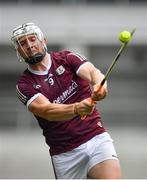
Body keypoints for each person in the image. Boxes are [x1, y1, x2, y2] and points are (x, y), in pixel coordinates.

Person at [11, 22, 121, 179]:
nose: (29, 45)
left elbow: (93, 72)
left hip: (95, 138)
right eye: (22, 43)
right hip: (64, 154)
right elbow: (46, 111)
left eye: (32, 39)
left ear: (43, 40)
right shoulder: (24, 85)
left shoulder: (67, 58)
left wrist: (100, 86)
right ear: (19, 52)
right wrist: (76, 108)